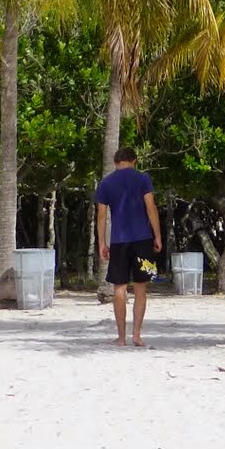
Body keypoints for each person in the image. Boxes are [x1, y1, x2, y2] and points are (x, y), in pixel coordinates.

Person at [94, 146, 162, 347]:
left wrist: (102, 243)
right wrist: (157, 236)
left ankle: (122, 337)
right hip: (142, 239)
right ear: (134, 161)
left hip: (118, 241)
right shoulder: (142, 179)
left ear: (116, 162)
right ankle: (137, 335)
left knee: (119, 287)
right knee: (141, 288)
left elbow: (101, 215)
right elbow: (151, 206)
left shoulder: (106, 183)